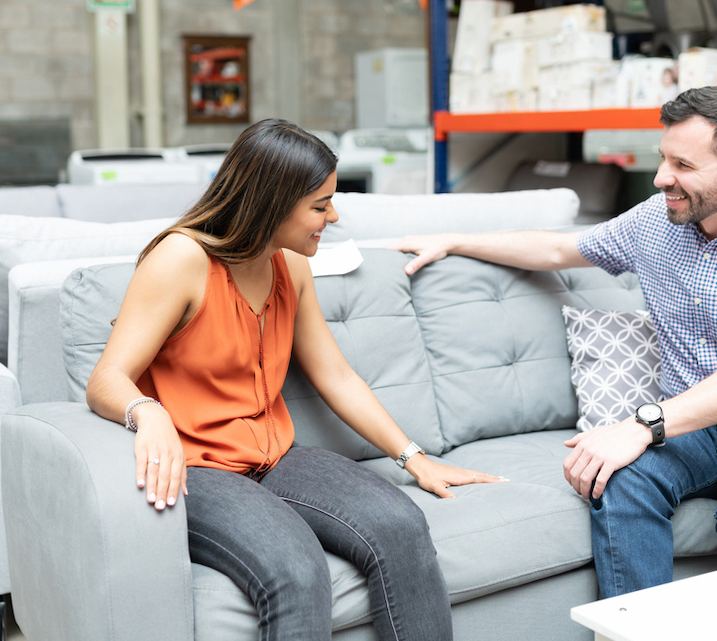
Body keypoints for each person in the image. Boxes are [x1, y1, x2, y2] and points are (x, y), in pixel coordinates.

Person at [390, 84, 717, 597]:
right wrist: (455, 240)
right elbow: (558, 249)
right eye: (663, 158)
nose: (661, 177)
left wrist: (643, 425)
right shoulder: (655, 221)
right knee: (616, 479)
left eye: (683, 166)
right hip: (687, 424)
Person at [85, 118, 504, 640]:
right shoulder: (182, 259)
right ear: (271, 202)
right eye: (320, 204)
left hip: (277, 456)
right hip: (199, 468)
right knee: (297, 571)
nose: (333, 215)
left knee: (401, 527)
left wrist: (414, 459)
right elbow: (107, 377)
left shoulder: (290, 264)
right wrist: (148, 414)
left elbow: (337, 376)